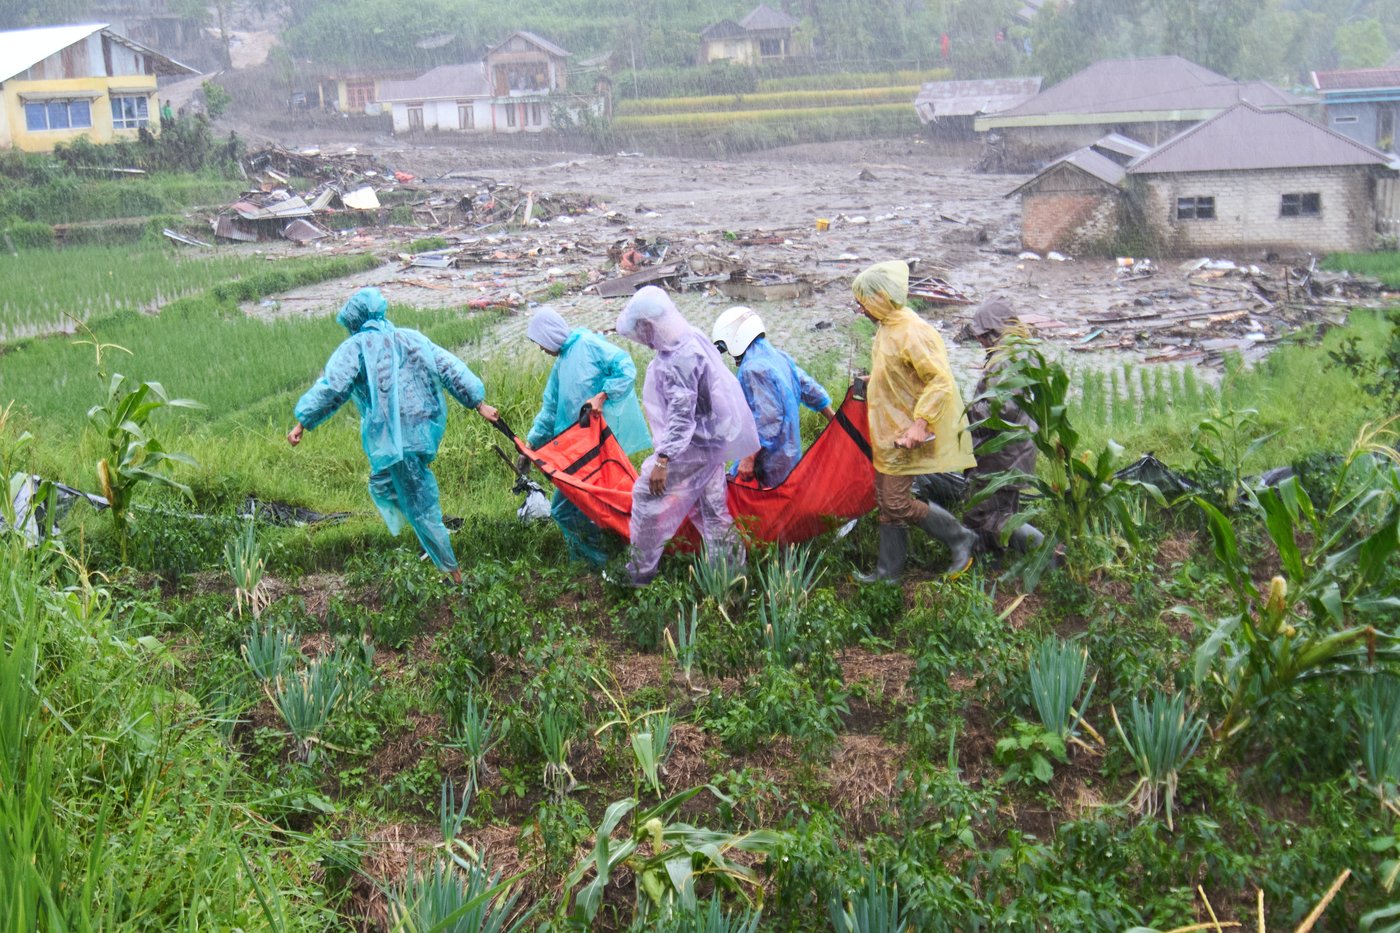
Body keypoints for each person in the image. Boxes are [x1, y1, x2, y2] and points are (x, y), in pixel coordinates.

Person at [287, 288, 497, 584]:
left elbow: (333, 387)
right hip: (422, 429)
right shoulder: (412, 337)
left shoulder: (357, 346)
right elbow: (450, 368)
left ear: (354, 321)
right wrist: (478, 402)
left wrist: (303, 422)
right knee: (385, 485)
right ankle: (429, 542)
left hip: (397, 439)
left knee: (420, 505)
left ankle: (454, 576)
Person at [616, 287, 758, 586]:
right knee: (711, 510)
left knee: (646, 497)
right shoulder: (687, 338)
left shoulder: (680, 357)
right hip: (711, 443)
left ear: (649, 324)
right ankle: (730, 576)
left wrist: (663, 460)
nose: (640, 336)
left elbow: (682, 417)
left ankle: (638, 574)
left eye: (640, 329)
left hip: (692, 447)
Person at [851, 260, 978, 581]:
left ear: (880, 297)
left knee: (896, 501)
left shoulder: (913, 331)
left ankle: (960, 536)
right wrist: (873, 381)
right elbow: (900, 374)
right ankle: (888, 572)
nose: (860, 309)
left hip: (907, 434)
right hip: (888, 434)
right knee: (886, 501)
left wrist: (920, 424)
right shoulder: (887, 328)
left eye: (862, 301)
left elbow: (940, 381)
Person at [518, 306, 651, 567]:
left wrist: (602, 396)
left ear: (550, 334)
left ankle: (598, 562)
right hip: (575, 451)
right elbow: (549, 409)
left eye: (541, 342)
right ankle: (603, 558)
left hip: (597, 447)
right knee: (585, 506)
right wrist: (529, 445)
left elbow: (625, 367)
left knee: (572, 509)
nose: (542, 350)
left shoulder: (588, 344)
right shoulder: (561, 364)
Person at [711, 306, 835, 487]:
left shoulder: (752, 368)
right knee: (787, 497)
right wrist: (833, 418)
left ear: (735, 338)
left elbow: (768, 420)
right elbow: (810, 388)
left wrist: (749, 458)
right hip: (789, 454)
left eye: (727, 347)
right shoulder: (778, 356)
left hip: (768, 461)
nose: (729, 353)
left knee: (763, 506)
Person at [964, 298, 1045, 554]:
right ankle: (997, 564)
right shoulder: (1022, 352)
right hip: (1018, 450)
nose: (980, 341)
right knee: (1002, 511)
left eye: (983, 335)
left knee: (982, 516)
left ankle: (1046, 550)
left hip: (1002, 454)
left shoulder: (1005, 360)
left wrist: (967, 411)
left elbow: (1004, 408)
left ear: (994, 332)